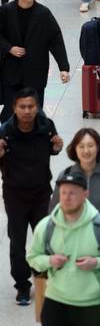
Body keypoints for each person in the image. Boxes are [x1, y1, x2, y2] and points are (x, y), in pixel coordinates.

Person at [27, 168, 100, 326]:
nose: (66, 198)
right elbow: (32, 258)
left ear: (85, 195)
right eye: (63, 192)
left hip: (93, 304)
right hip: (55, 302)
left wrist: (97, 263)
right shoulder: (45, 226)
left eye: (72, 193)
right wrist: (49, 261)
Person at [0, 88, 64, 305]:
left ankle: (43, 280)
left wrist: (57, 148)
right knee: (17, 241)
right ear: (14, 108)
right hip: (14, 195)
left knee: (45, 239)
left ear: (37, 107)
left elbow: (52, 148)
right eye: (22, 107)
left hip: (41, 193)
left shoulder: (46, 127)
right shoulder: (5, 132)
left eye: (31, 106)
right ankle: (22, 285)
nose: (27, 111)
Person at [0, 0, 70, 119]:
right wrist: (9, 48)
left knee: (34, 113)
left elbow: (56, 40)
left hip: (35, 73)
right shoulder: (6, 11)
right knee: (9, 113)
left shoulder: (43, 13)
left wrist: (63, 67)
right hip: (12, 73)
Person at [50, 129, 100, 221]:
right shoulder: (65, 175)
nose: (86, 151)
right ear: (75, 149)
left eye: (90, 146)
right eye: (81, 146)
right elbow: (54, 211)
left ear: (98, 147)